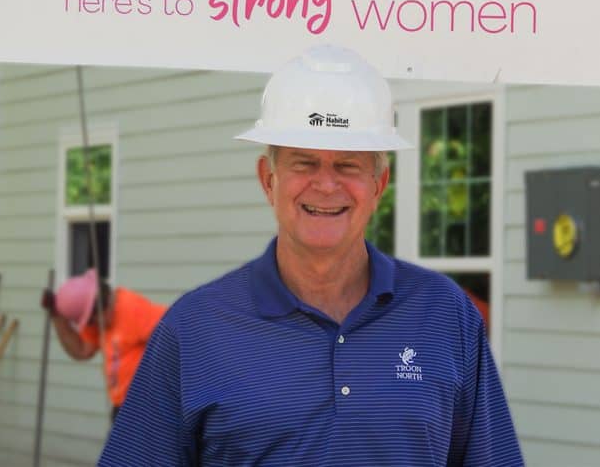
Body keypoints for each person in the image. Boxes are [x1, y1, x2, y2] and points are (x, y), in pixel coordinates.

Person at [100, 45, 524, 466]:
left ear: (379, 185)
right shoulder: (194, 329)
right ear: (269, 180)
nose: (326, 185)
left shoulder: (446, 315)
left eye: (348, 165)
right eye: (304, 163)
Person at [40, 269, 167, 422]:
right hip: (123, 407)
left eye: (89, 322)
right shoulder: (99, 320)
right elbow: (81, 350)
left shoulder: (132, 309)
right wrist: (57, 317)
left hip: (148, 408)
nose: (90, 326)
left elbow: (176, 337)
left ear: (97, 311)